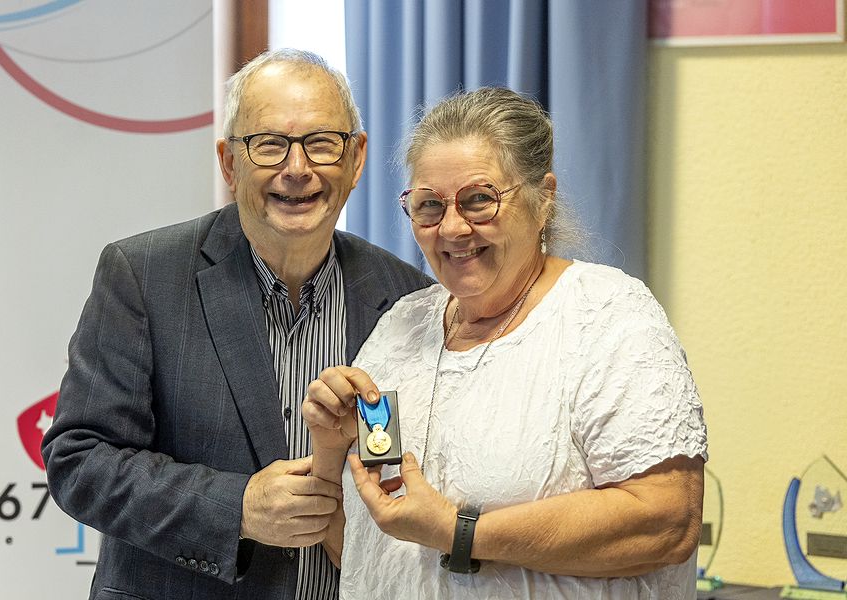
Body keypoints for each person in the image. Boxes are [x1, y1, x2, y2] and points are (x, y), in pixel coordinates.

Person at [41, 49, 431, 600]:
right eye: (270, 144)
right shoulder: (144, 276)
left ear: (356, 158)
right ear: (229, 162)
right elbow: (80, 459)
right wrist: (237, 507)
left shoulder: (408, 298)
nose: (297, 170)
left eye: (321, 143)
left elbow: (403, 475)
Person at [302, 87, 708, 599]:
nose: (452, 227)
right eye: (429, 205)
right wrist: (332, 447)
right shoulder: (401, 328)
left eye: (478, 199)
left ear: (544, 199)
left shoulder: (606, 319)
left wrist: (458, 531)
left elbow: (665, 522)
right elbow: (370, 550)